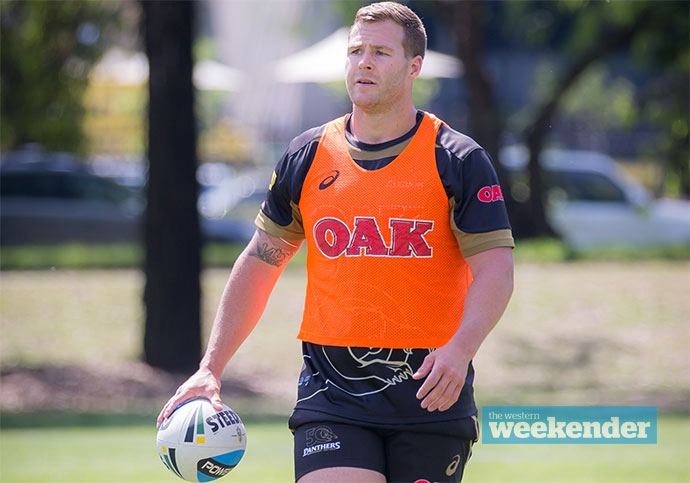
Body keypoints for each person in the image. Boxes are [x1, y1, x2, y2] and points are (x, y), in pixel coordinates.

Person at [158, 2, 514, 481]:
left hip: (430, 389)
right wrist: (211, 367)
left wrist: (461, 349)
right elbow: (261, 263)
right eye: (356, 50)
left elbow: (496, 269)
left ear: (414, 67)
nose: (363, 62)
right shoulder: (306, 156)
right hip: (333, 393)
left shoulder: (457, 159)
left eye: (381, 52)